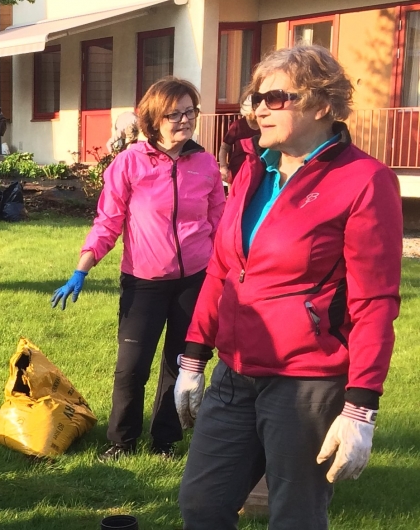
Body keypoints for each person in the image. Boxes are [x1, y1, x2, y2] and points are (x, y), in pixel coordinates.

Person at [175, 45, 403, 530]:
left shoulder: (364, 181)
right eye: (255, 97)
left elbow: (374, 301)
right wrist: (193, 359)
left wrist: (361, 406)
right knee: (201, 505)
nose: (259, 107)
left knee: (294, 517)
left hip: (306, 384)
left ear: (322, 105)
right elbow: (222, 269)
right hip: (234, 375)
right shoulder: (254, 169)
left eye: (275, 97)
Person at [51, 77, 225, 460]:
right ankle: (121, 442)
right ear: (153, 119)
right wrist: (82, 268)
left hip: (194, 282)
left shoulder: (205, 163)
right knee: (131, 368)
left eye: (190, 112)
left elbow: (220, 223)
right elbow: (108, 221)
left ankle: (165, 441)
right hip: (144, 282)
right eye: (174, 114)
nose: (184, 120)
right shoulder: (130, 163)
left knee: (179, 365)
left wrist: (224, 275)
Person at [217, 95, 260, 192]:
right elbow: (224, 148)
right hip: (237, 171)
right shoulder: (238, 125)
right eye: (255, 108)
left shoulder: (264, 126)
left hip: (257, 172)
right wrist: (223, 168)